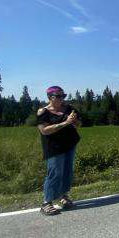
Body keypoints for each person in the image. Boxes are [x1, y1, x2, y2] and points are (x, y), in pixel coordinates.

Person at [36, 86, 82, 216]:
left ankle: (63, 197)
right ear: (50, 97)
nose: (63, 98)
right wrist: (66, 123)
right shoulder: (43, 112)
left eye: (64, 95)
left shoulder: (69, 109)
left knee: (67, 171)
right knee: (55, 173)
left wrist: (74, 121)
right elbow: (44, 130)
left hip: (70, 144)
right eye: (59, 96)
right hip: (53, 147)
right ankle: (46, 203)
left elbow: (79, 125)